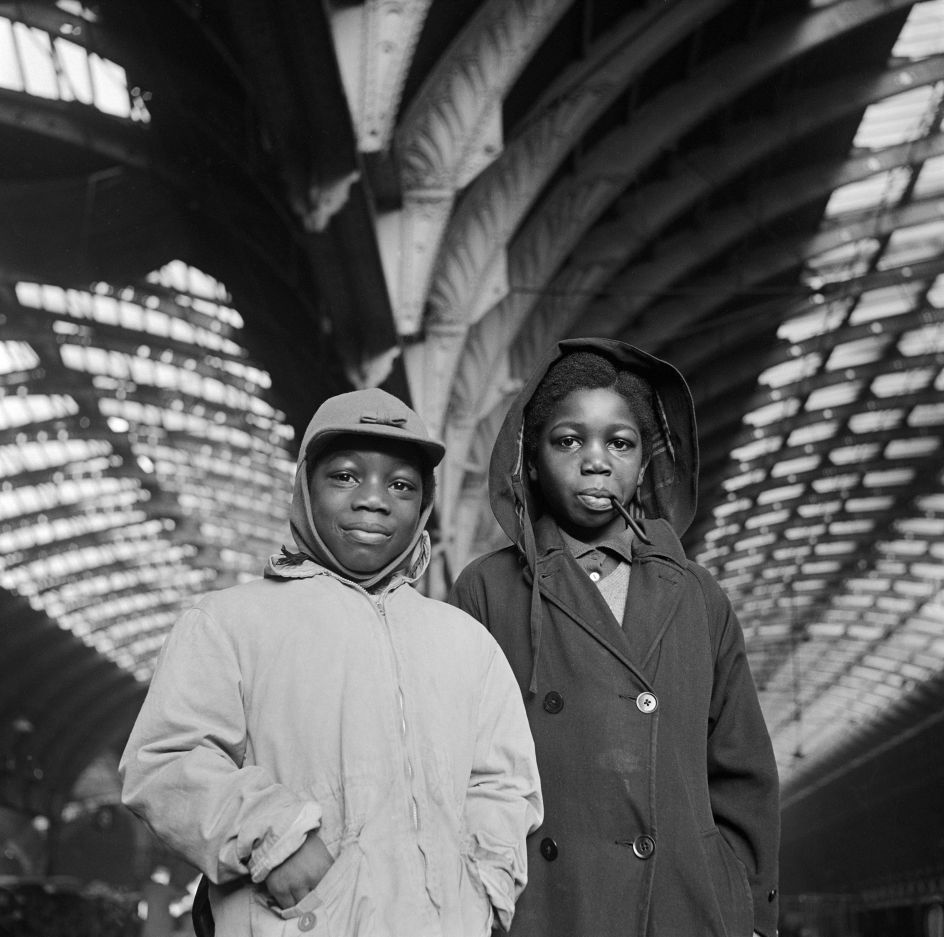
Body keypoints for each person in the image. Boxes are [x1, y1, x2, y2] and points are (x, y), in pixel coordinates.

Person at [121, 387, 543, 937]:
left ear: (424, 505)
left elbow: (504, 784)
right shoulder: (227, 622)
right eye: (345, 475)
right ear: (304, 485)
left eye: (401, 485)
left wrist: (485, 892)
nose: (374, 499)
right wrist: (273, 837)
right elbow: (165, 760)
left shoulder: (466, 642)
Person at [449, 339, 780, 937]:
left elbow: (741, 767)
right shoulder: (487, 591)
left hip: (686, 905)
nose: (595, 460)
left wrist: (747, 906)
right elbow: (455, 765)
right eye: (568, 440)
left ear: (646, 464)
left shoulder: (698, 595)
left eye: (619, 443)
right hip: (548, 908)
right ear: (528, 458)